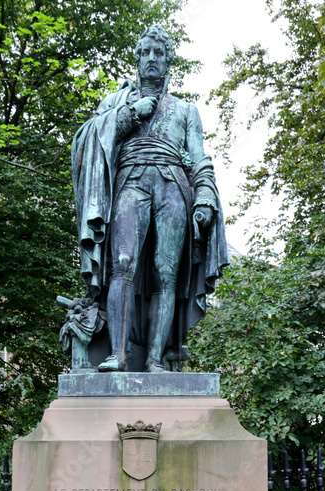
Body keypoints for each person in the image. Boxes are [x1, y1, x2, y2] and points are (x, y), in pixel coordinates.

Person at [71, 24, 228, 373]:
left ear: (169, 61)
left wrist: (204, 196)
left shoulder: (186, 111)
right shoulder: (116, 102)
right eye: (145, 53)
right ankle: (118, 354)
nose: (152, 58)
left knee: (167, 273)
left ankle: (156, 360)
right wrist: (129, 114)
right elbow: (88, 142)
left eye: (159, 53)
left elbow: (199, 158)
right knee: (122, 264)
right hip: (131, 181)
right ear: (137, 59)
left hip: (174, 186)